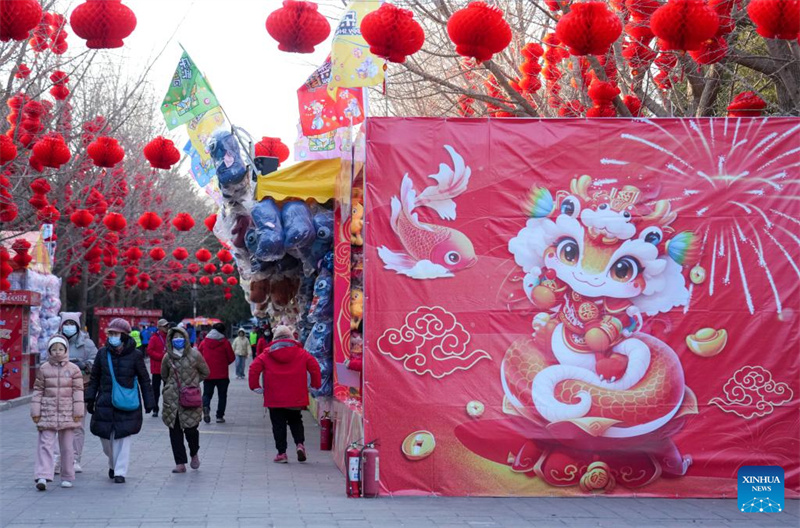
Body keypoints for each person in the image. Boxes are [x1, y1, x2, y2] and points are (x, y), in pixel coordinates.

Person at [85, 318, 155, 484]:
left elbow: (145, 379)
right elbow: (94, 377)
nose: (112, 337)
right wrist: (90, 398)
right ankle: (113, 463)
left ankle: (120, 472)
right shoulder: (102, 353)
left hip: (127, 402)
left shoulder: (136, 355)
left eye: (116, 334)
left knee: (123, 437)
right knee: (106, 439)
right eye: (110, 333)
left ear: (124, 335)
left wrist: (149, 401)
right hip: (105, 401)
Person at [248, 325, 321, 463]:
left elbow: (253, 368)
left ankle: (281, 453)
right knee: (295, 420)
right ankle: (300, 444)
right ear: (291, 337)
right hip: (295, 396)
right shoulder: (301, 353)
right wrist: (315, 385)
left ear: (275, 338)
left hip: (274, 397)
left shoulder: (266, 353)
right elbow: (314, 367)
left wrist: (255, 386)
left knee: (278, 424)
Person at [31, 335, 85, 490]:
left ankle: (67, 476)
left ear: (66, 350)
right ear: (49, 351)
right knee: (45, 444)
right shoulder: (43, 368)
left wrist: (78, 412)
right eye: (54, 349)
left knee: (67, 446)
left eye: (60, 349)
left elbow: (78, 392)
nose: (57, 352)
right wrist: (36, 411)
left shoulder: (73, 369)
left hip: (68, 412)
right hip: (47, 412)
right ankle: (43, 475)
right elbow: (38, 391)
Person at [160, 326, 209, 473]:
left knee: (191, 430)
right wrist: (170, 387)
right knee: (174, 431)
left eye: (180, 338)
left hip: (190, 399)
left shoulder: (195, 355)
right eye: (174, 338)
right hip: (172, 399)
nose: (177, 341)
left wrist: (193, 384)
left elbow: (205, 372)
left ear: (186, 339)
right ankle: (180, 462)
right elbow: (164, 375)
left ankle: (194, 452)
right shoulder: (167, 357)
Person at [53, 313, 97, 475]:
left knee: (77, 426)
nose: (69, 326)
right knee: (58, 425)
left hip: (81, 388)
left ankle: (75, 459)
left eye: (72, 323)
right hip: (59, 389)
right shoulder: (55, 341)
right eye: (66, 323)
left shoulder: (87, 343)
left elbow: (96, 361)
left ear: (78, 326)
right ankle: (57, 460)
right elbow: (46, 361)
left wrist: (84, 365)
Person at [199, 322, 235, 424]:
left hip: (208, 374)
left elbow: (199, 356)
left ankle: (206, 406)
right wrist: (223, 363)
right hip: (222, 375)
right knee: (222, 395)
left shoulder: (204, 342)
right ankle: (219, 416)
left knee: (207, 394)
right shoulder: (225, 342)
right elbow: (231, 357)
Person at [146, 319, 169, 418]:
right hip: (157, 369)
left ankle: (167, 408)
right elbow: (150, 351)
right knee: (155, 390)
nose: (166, 328)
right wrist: (161, 356)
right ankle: (155, 408)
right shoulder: (154, 338)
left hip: (167, 368)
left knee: (168, 390)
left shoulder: (169, 337)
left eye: (167, 326)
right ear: (159, 327)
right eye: (164, 326)